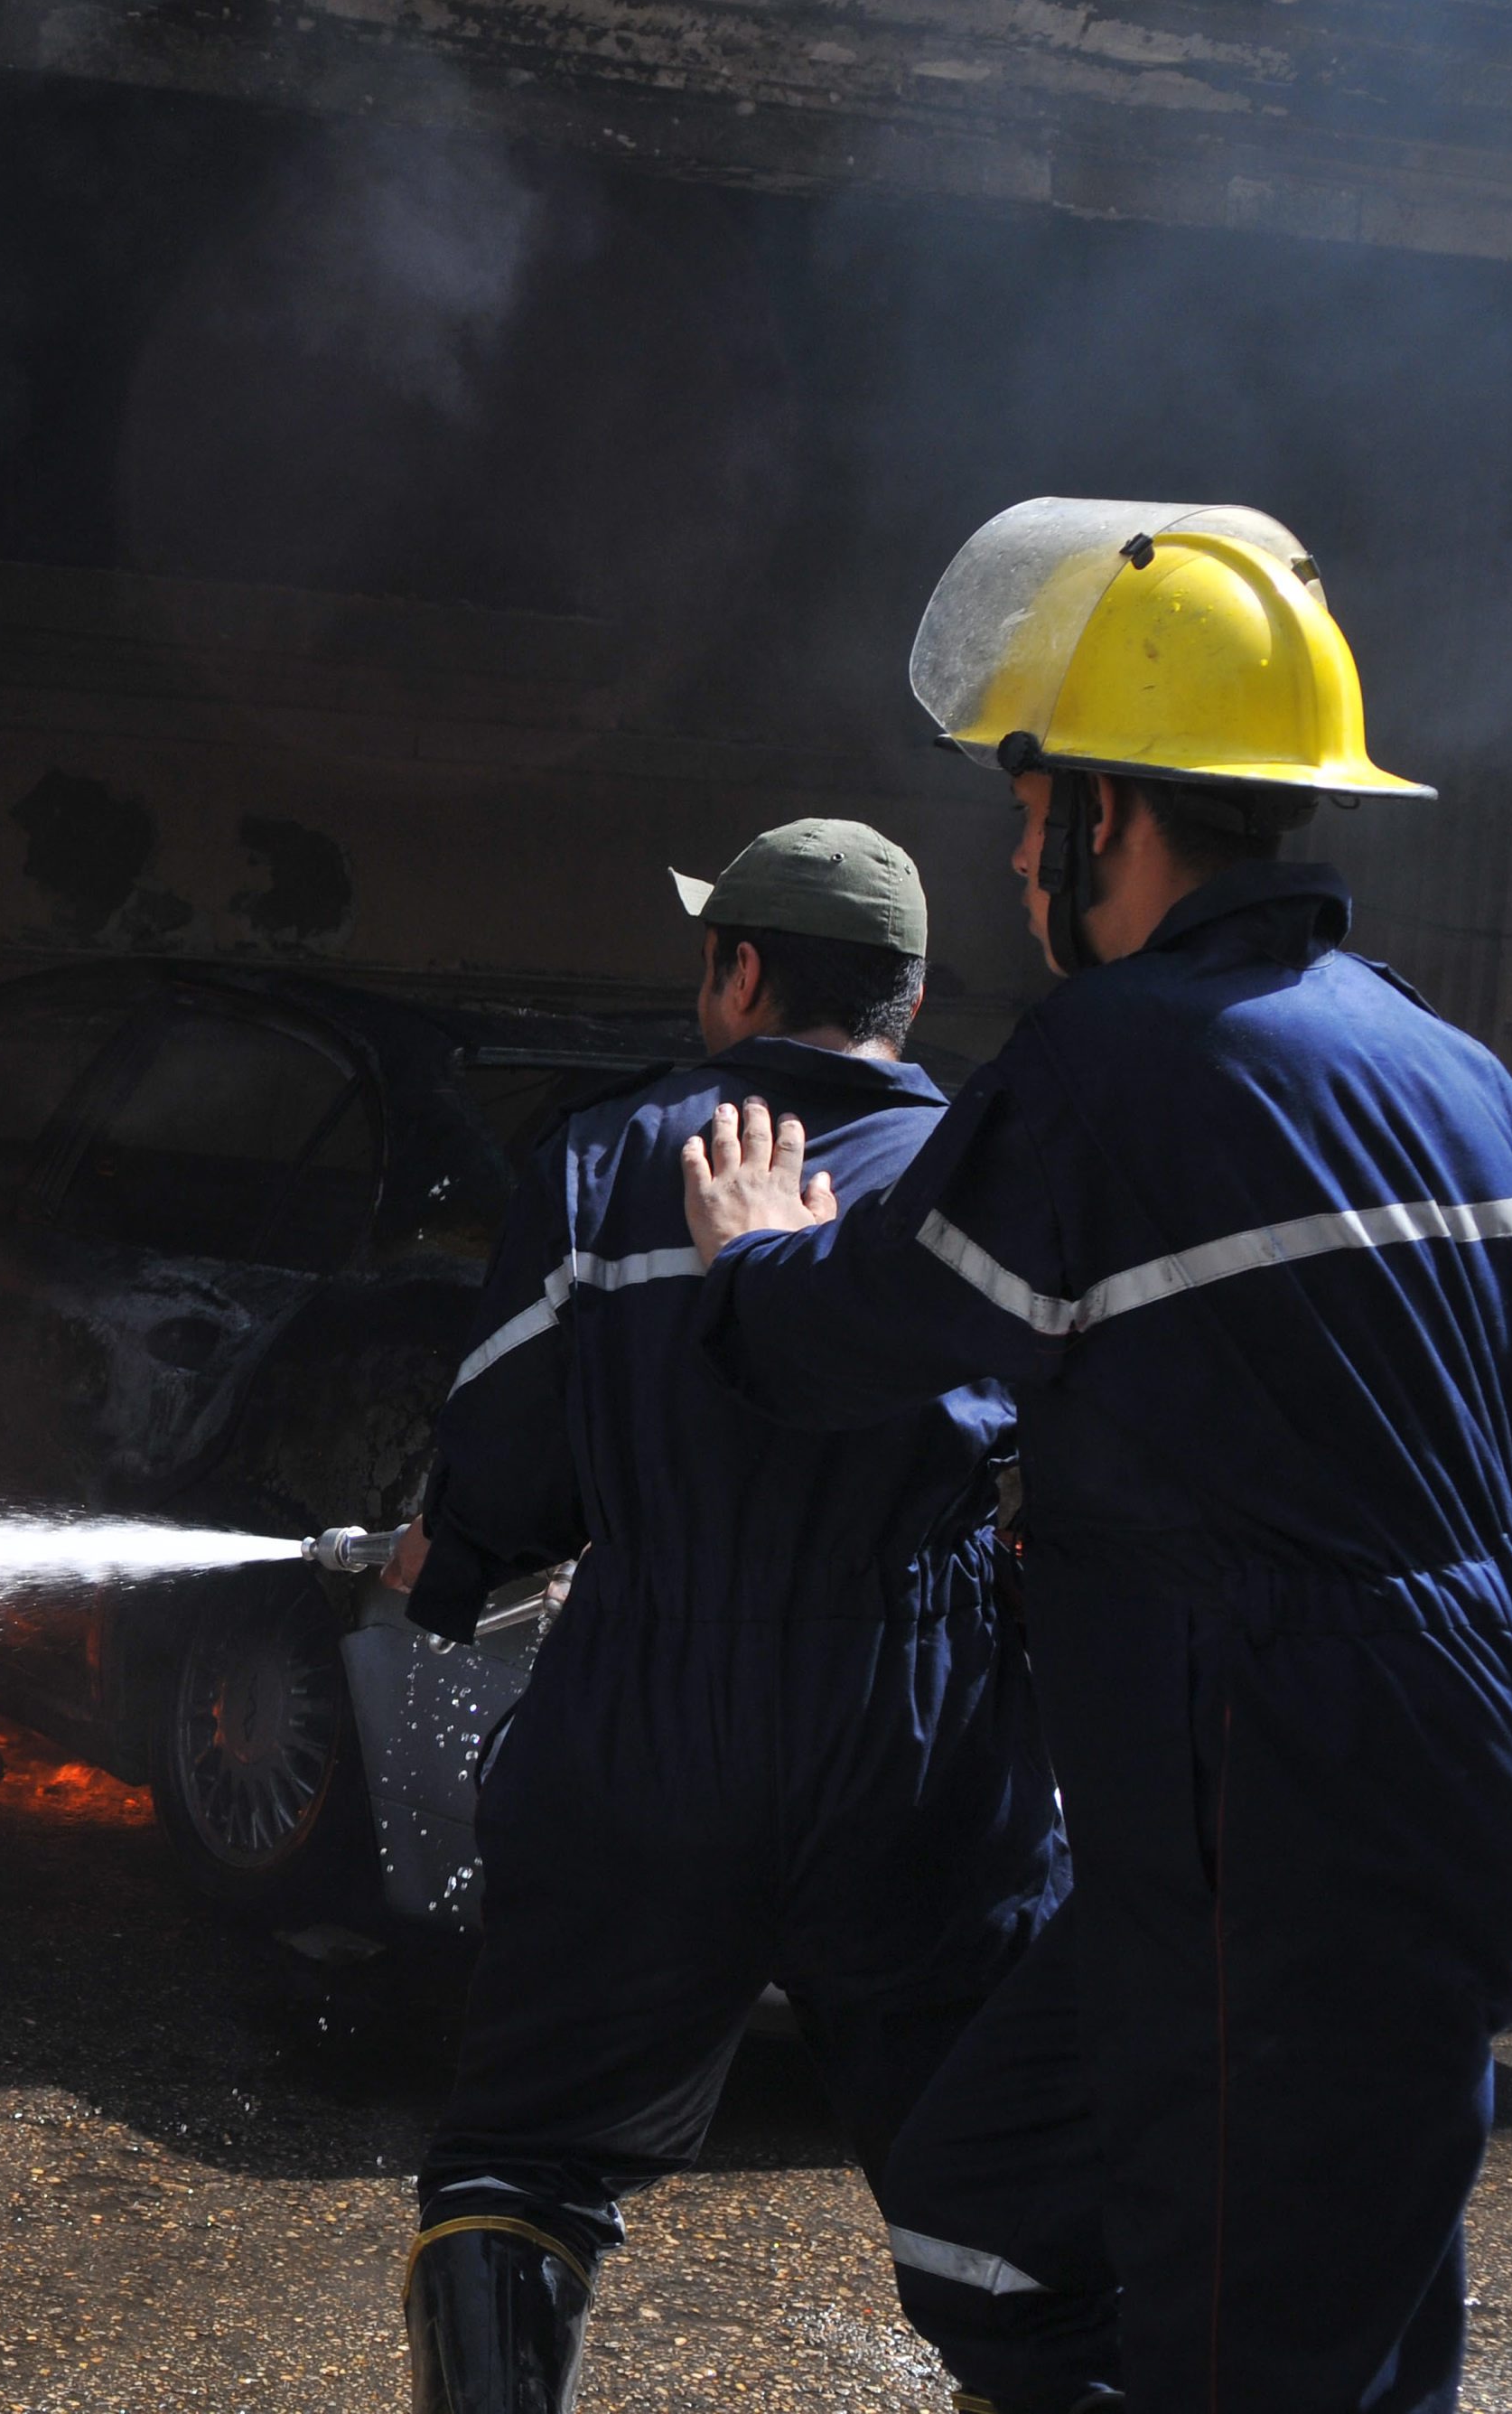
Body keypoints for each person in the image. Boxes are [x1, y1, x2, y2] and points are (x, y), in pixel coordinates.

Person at [678, 500, 1512, 2410]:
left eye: (1023, 807)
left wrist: (748, 1255)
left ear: (1101, 813)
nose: (1005, 858)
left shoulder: (1113, 1065)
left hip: (1281, 1843)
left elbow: (850, 1339)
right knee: (986, 2213)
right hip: (1365, 1816)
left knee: (1267, 2359)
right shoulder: (1444, 1064)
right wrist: (1465, 1566)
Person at [381, 817, 1071, 2413]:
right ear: (901, 998)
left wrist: (456, 1553)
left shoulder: (606, 1159)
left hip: (647, 1716)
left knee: (519, 2164)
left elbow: (507, 1445)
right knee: (1016, 2208)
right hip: (923, 1734)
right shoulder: (989, 1168)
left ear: (742, 969)